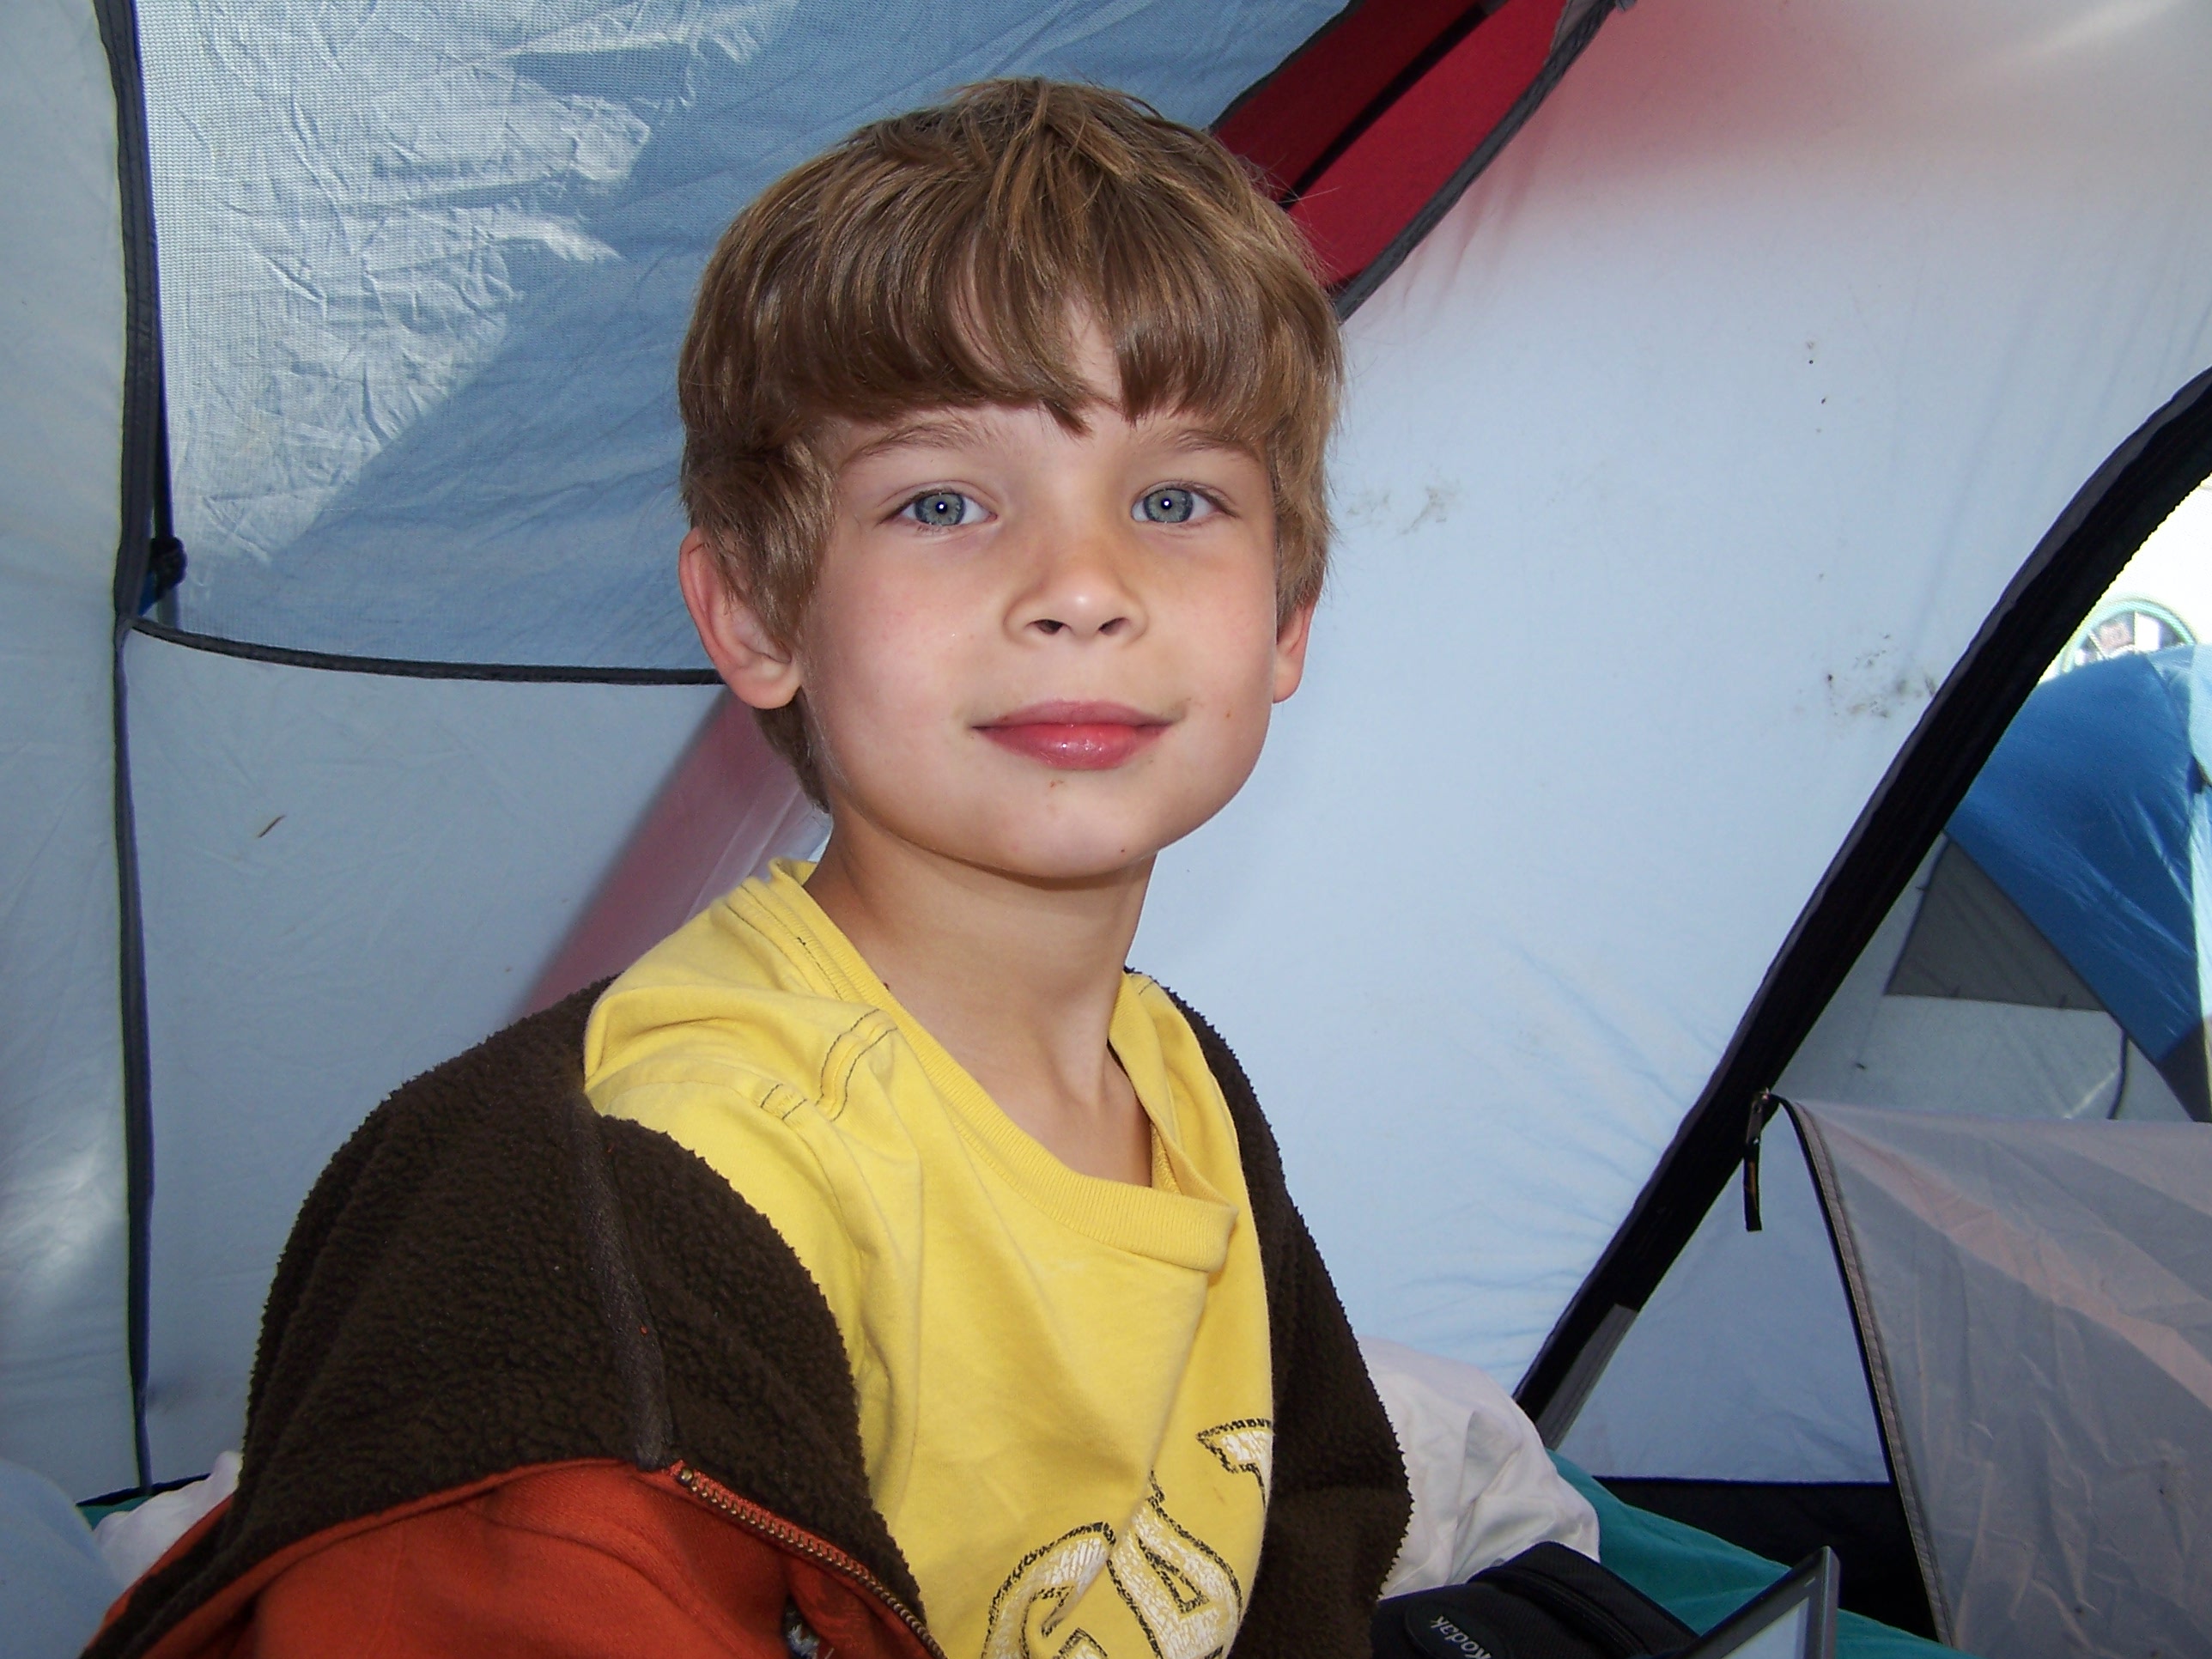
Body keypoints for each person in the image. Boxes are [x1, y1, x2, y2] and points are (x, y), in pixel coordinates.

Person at [85, 79, 1410, 1659]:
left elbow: (1313, 1537)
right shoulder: (660, 1194)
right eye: (943, 502)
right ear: (758, 617)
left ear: (1286, 618)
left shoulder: (1184, 1086)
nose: (1081, 585)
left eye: (1175, 499)